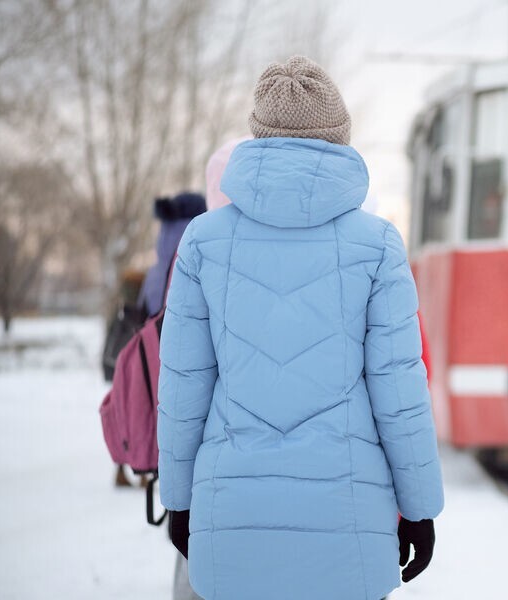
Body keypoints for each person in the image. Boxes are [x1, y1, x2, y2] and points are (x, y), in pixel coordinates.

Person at [157, 55, 444, 600]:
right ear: (338, 137)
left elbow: (183, 385)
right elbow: (400, 390)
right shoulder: (378, 245)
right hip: (349, 512)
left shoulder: (202, 241)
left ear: (258, 134)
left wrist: (178, 498)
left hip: (234, 507)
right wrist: (420, 508)